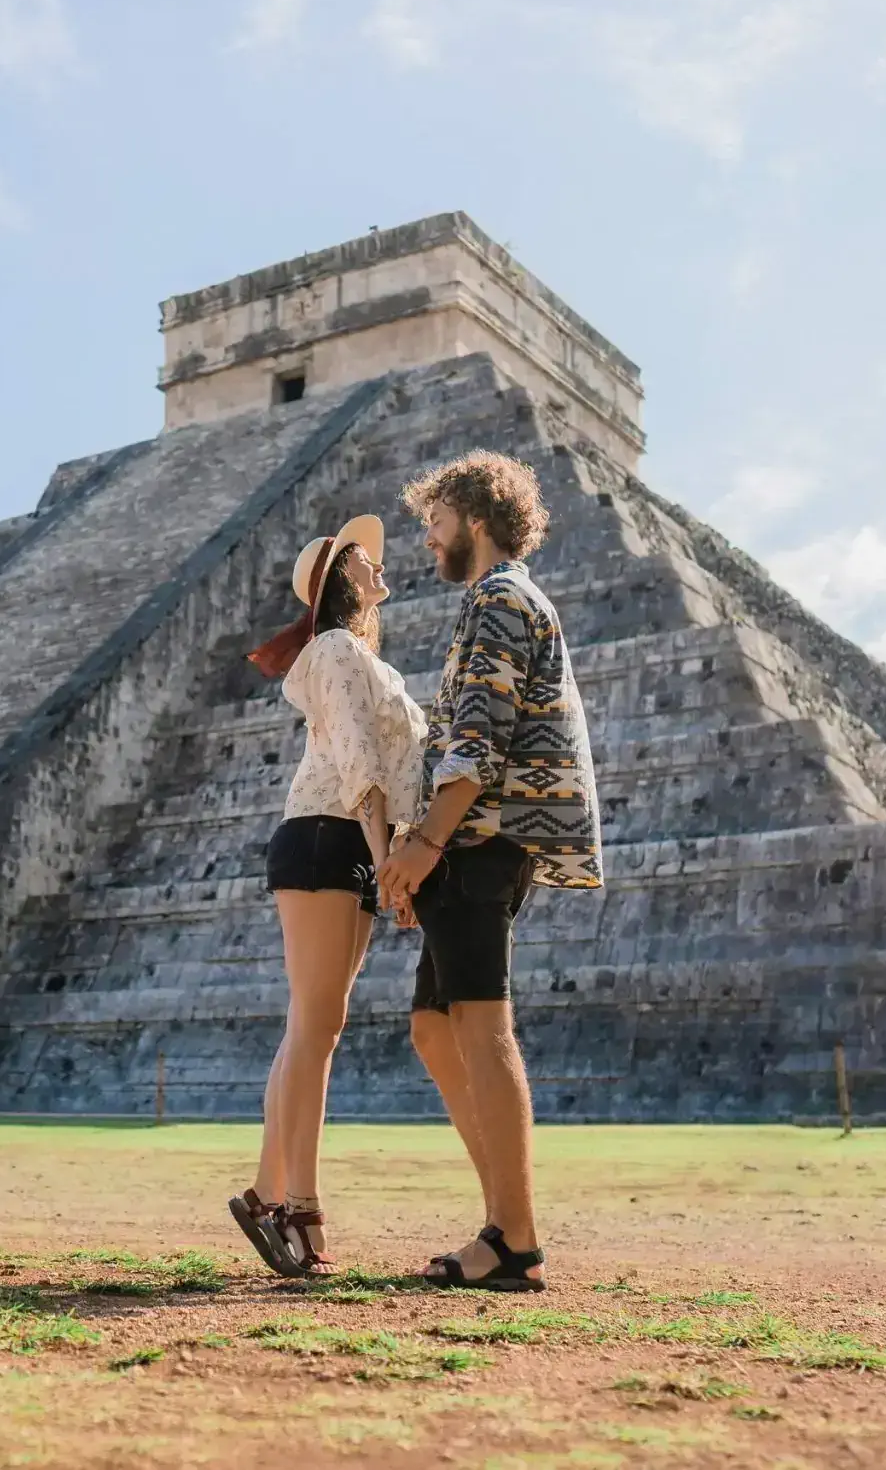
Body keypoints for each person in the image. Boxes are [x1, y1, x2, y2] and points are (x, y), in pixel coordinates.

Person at [375, 451, 601, 1293]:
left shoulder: (500, 599)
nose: (427, 543)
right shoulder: (498, 601)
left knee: (481, 1026)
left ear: (472, 517)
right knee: (435, 1030)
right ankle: (505, 1216)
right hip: (467, 846)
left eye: (434, 523)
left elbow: (477, 742)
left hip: (476, 843)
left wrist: (423, 843)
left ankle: (514, 1237)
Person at [230, 513, 425, 1277]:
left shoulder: (356, 654)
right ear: (344, 579)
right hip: (325, 832)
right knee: (314, 1028)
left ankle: (266, 1191)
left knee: (316, 1026)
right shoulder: (337, 648)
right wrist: (388, 859)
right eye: (364, 562)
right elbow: (358, 755)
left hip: (343, 837)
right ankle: (298, 1206)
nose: (379, 567)